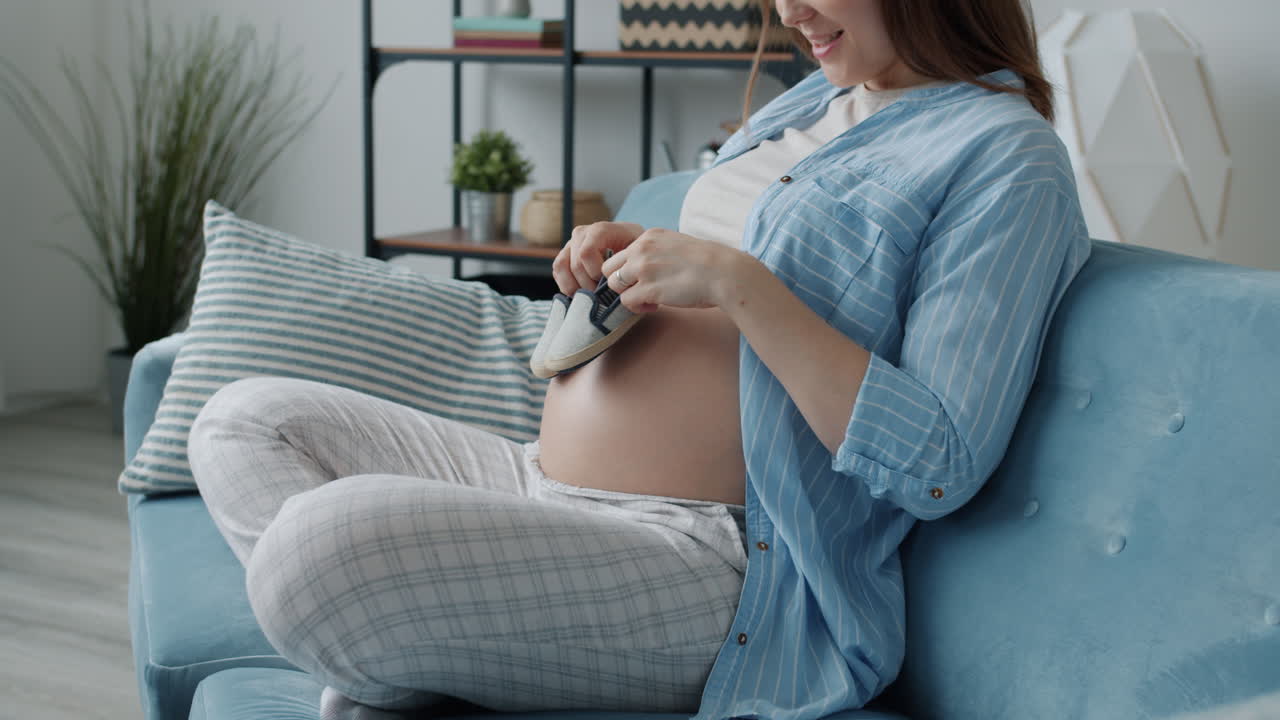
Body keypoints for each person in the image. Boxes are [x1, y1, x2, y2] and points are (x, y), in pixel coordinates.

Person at [188, 1, 1092, 718]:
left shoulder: (1005, 158)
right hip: (543, 483)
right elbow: (727, 268)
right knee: (243, 422)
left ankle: (402, 651)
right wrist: (635, 254)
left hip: (718, 563)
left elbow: (938, 465)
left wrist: (741, 286)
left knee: (316, 548)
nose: (787, 13)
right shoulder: (817, 98)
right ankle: (424, 652)